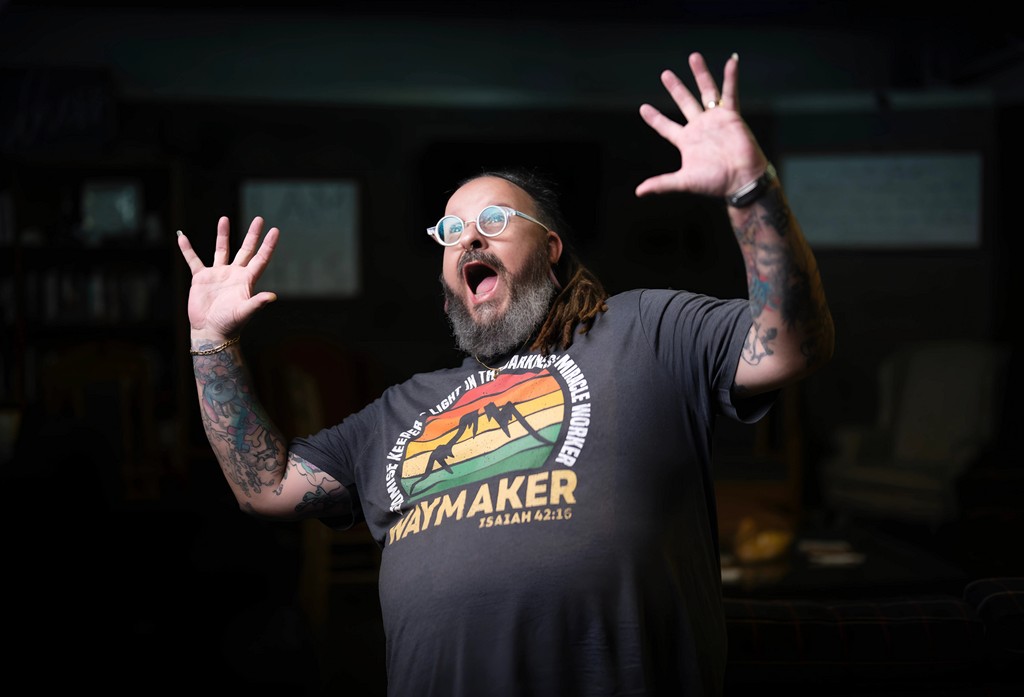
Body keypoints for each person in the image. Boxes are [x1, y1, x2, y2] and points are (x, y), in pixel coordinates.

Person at [177, 51, 834, 697]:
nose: (468, 238)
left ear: (550, 249)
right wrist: (210, 344)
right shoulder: (400, 409)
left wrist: (752, 193)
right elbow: (263, 486)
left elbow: (790, 347)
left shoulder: (646, 331)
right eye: (452, 229)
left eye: (493, 221)